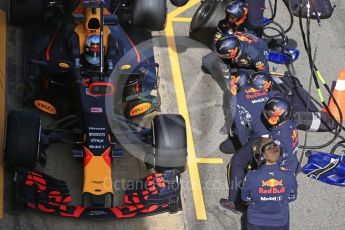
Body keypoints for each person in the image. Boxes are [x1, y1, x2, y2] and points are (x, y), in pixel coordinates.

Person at [220, 96, 299, 212]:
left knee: (238, 162)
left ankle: (234, 201)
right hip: (292, 164)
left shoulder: (278, 140)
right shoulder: (290, 124)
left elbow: (270, 154)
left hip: (276, 164)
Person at [241, 137, 298, 230]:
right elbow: (292, 197)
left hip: (255, 221)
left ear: (261, 158)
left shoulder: (251, 176)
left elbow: (245, 197)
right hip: (280, 221)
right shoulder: (289, 175)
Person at [220, 71, 273, 154]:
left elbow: (240, 129)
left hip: (261, 138)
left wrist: (245, 150)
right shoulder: (265, 92)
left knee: (224, 147)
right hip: (275, 132)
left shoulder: (237, 99)